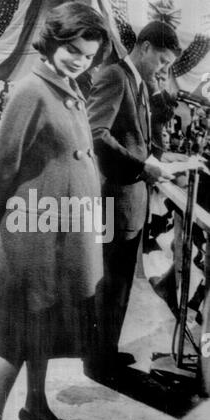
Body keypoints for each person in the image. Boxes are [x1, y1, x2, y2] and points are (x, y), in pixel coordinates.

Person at [0, 1, 108, 420]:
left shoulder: (68, 89)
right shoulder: (31, 90)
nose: (79, 60)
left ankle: (36, 408)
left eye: (88, 55)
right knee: (14, 343)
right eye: (73, 49)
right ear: (53, 41)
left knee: (42, 335)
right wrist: (5, 221)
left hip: (58, 241)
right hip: (31, 243)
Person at [86, 21, 182, 382]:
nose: (163, 69)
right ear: (143, 48)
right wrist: (141, 166)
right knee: (111, 282)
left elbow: (145, 140)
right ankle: (97, 360)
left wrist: (157, 99)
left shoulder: (139, 85)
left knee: (120, 283)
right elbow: (97, 133)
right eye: (161, 60)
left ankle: (105, 351)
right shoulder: (115, 76)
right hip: (117, 197)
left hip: (131, 198)